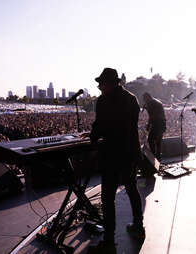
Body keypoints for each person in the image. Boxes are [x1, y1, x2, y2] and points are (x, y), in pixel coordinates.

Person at [88, 67, 145, 253]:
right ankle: (138, 226)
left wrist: (91, 137)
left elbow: (101, 126)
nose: (99, 87)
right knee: (132, 189)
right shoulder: (132, 98)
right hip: (130, 152)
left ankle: (109, 241)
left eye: (101, 83)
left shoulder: (104, 101)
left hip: (112, 154)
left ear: (110, 83)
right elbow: (129, 125)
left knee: (108, 197)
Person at [142, 92, 166, 160]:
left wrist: (148, 125)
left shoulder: (150, 103)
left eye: (144, 99)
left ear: (146, 97)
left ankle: (153, 157)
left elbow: (152, 116)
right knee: (158, 142)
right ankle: (158, 158)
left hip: (157, 124)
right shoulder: (156, 101)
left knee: (150, 139)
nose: (144, 100)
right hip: (162, 123)